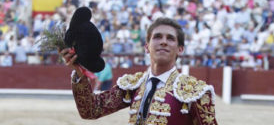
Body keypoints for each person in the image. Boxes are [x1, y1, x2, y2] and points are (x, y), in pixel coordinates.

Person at [60, 18, 218, 124]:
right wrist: (80, 72)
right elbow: (91, 110)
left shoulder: (195, 92)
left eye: (170, 38)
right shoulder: (133, 85)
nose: (163, 42)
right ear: (147, 47)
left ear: (180, 49)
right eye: (157, 37)